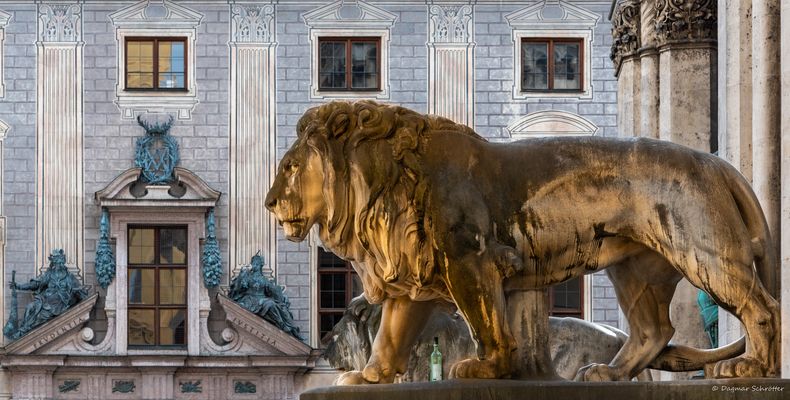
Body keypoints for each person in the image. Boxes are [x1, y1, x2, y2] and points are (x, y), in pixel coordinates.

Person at [7, 249, 89, 340]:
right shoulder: (49, 274)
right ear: (53, 263)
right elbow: (36, 284)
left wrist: (81, 292)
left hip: (59, 305)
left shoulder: (70, 277)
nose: (59, 264)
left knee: (38, 316)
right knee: (30, 307)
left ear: (63, 261)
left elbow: (79, 291)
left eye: (60, 262)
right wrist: (19, 286)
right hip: (45, 302)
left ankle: (23, 333)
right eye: (56, 262)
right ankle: (22, 332)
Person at [228, 252, 302, 339]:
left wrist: (279, 294)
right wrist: (242, 275)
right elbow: (239, 288)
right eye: (253, 263)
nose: (254, 265)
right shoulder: (247, 276)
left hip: (262, 300)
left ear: (260, 266)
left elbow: (273, 292)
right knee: (241, 306)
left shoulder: (265, 280)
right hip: (248, 300)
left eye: (257, 264)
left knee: (271, 304)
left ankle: (282, 324)